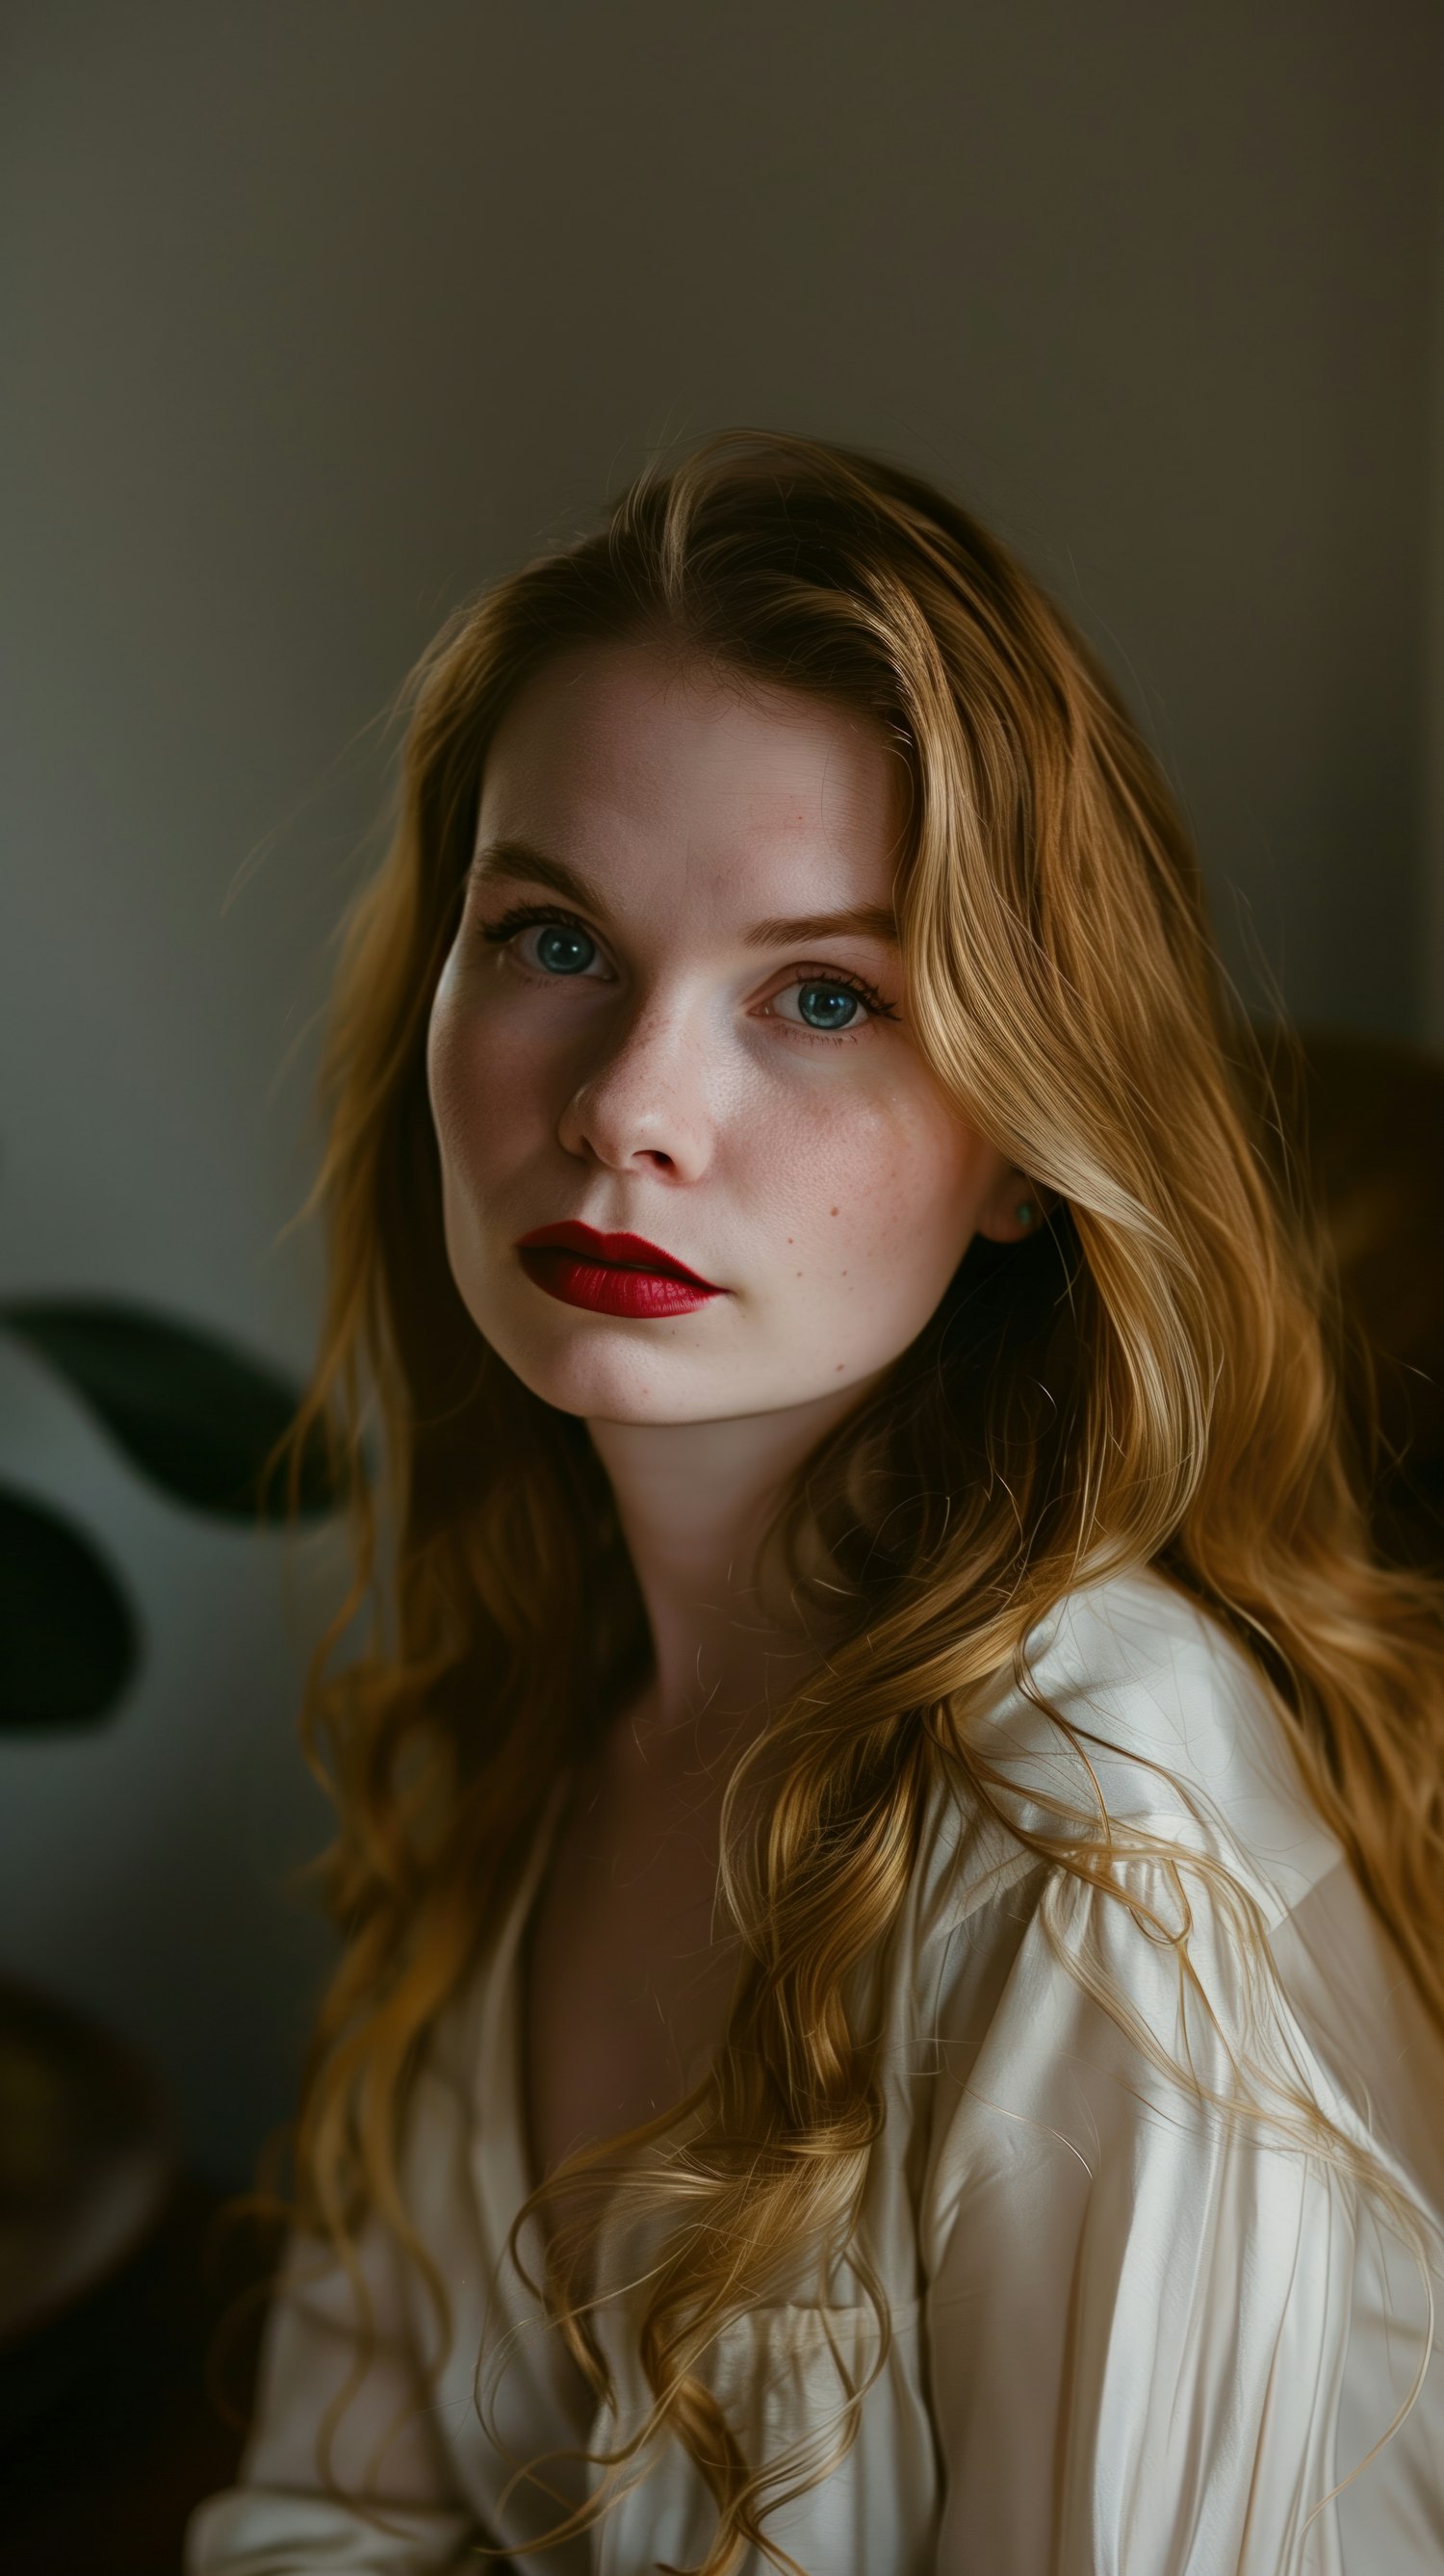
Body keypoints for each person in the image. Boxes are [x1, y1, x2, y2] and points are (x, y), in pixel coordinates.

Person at [186, 430, 1444, 2576]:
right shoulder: (533, 1709)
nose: (626, 1110)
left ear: (1036, 1137)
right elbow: (323, 2514)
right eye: (554, 940)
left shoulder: (1099, 1837)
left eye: (826, 994)